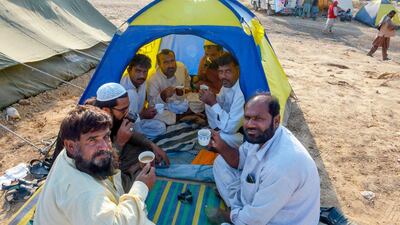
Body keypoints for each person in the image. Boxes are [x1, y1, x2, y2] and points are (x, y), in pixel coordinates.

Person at [34, 105, 156, 225]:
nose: (105, 147)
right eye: (92, 140)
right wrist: (141, 187)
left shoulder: (70, 153)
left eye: (106, 136)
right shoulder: (84, 193)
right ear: (71, 146)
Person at [209, 93, 320, 225]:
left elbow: (256, 220)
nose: (250, 125)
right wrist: (221, 146)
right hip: (263, 204)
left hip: (276, 220)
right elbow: (239, 160)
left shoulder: (283, 164)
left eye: (258, 119)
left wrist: (228, 216)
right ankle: (239, 209)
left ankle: (236, 212)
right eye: (247, 118)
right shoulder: (261, 136)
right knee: (221, 163)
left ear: (276, 120)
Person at [91, 83, 169, 192]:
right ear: (106, 110)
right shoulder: (93, 127)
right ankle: (132, 172)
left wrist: (152, 145)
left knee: (145, 151)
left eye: (127, 108)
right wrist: (119, 143)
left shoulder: (114, 115)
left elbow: (130, 133)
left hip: (115, 152)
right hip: (99, 168)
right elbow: (100, 169)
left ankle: (134, 168)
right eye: (123, 110)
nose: (127, 113)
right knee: (125, 187)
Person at [199, 52, 244, 149]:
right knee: (208, 103)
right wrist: (210, 96)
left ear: (238, 70)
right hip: (227, 123)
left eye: (228, 71)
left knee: (220, 137)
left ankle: (217, 136)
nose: (223, 76)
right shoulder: (227, 84)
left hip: (241, 134)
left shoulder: (241, 92)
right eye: (220, 72)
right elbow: (220, 100)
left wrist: (213, 102)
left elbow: (231, 129)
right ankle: (216, 130)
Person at [120, 54, 157, 119]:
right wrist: (142, 115)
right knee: (132, 94)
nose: (142, 76)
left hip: (139, 119)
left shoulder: (142, 81)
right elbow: (124, 119)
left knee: (160, 126)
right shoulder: (123, 87)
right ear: (129, 70)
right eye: (138, 71)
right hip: (125, 125)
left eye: (145, 72)